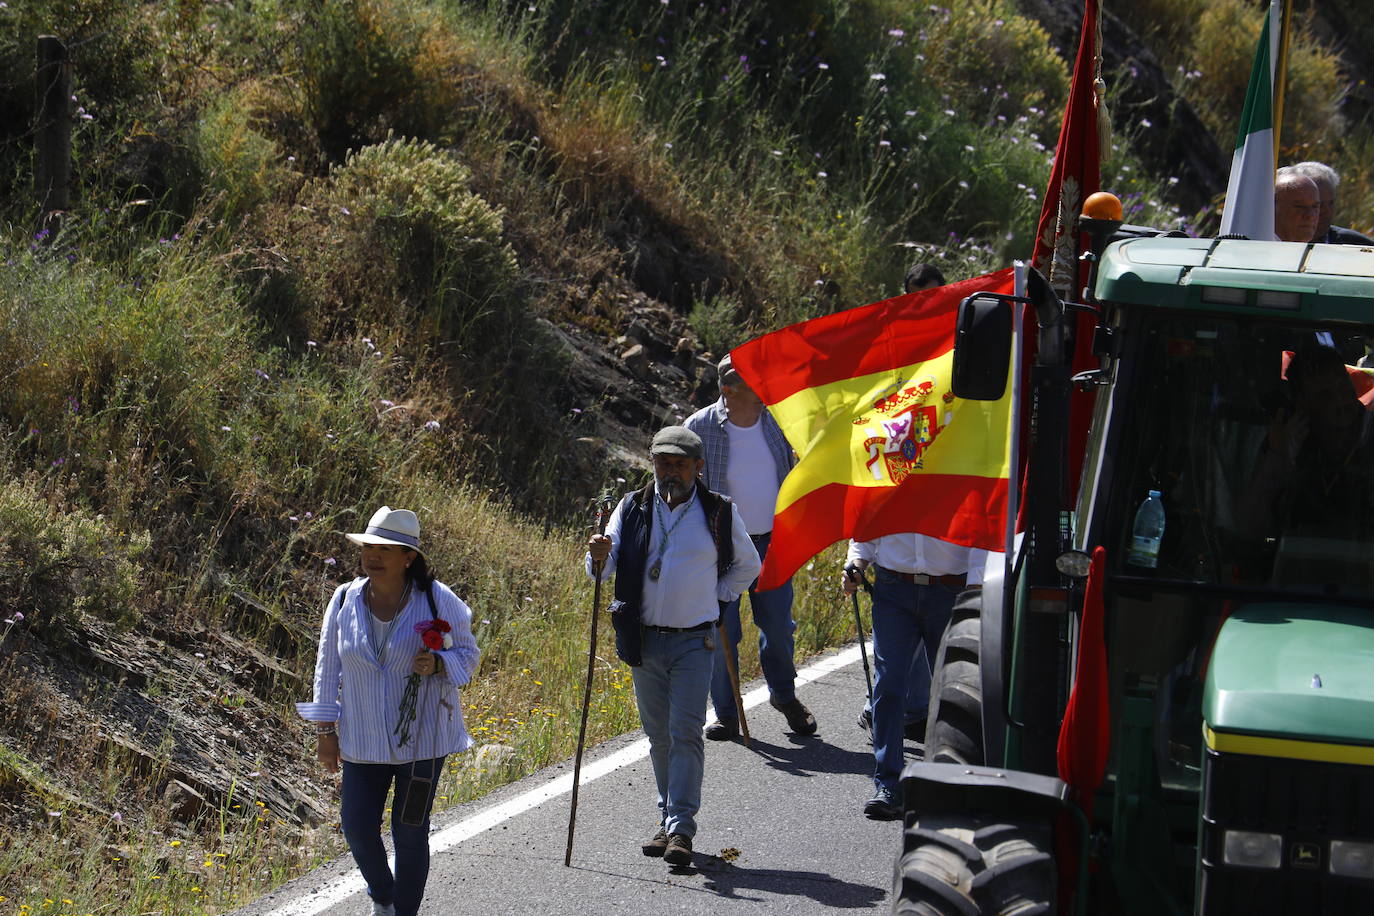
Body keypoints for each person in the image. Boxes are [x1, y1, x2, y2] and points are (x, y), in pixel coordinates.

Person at [586, 426, 760, 865]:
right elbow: (599, 572)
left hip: (693, 641)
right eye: (663, 462)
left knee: (685, 733)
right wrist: (598, 554)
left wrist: (715, 595)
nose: (670, 472)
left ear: (698, 467)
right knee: (658, 737)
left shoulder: (719, 511)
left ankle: (681, 827)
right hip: (643, 638)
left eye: (680, 464)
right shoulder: (633, 506)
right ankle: (668, 820)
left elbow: (748, 566)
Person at [298, 506, 480, 916]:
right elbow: (327, 666)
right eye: (368, 547)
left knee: (410, 832)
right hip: (361, 739)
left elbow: (469, 656)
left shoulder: (437, 598)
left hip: (423, 741)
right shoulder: (345, 598)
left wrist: (439, 664)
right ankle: (383, 894)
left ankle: (404, 912)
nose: (373, 556)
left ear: (408, 557)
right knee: (358, 828)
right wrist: (325, 732)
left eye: (386, 548)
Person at [684, 354, 816, 740]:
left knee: (778, 627)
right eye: (754, 385)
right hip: (720, 548)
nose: (764, 390)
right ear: (728, 390)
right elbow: (678, 481)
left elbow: (794, 474)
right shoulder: (699, 428)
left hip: (771, 543)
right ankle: (726, 713)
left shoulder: (777, 423)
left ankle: (784, 695)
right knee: (723, 630)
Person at [855, 261, 950, 740]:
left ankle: (921, 716)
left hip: (944, 462)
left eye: (932, 294)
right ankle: (896, 714)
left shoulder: (961, 335)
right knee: (896, 648)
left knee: (940, 650)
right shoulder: (893, 344)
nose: (925, 304)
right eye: (916, 296)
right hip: (899, 449)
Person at [842, 534, 986, 820]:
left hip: (951, 590)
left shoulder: (957, 487)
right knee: (889, 685)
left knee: (954, 690)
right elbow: (868, 525)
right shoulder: (888, 486)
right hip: (893, 589)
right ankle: (888, 786)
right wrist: (856, 563)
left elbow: (979, 529)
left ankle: (955, 784)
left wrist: (976, 584)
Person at [1290, 161, 1374, 246]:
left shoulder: (1358, 246)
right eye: (1318, 205)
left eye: (1331, 203)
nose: (1327, 212)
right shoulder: (1277, 244)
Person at [1273, 168, 1322, 243]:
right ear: (1273, 206)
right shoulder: (1255, 250)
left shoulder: (1322, 252)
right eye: (1300, 206)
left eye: (1315, 206)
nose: (1310, 215)